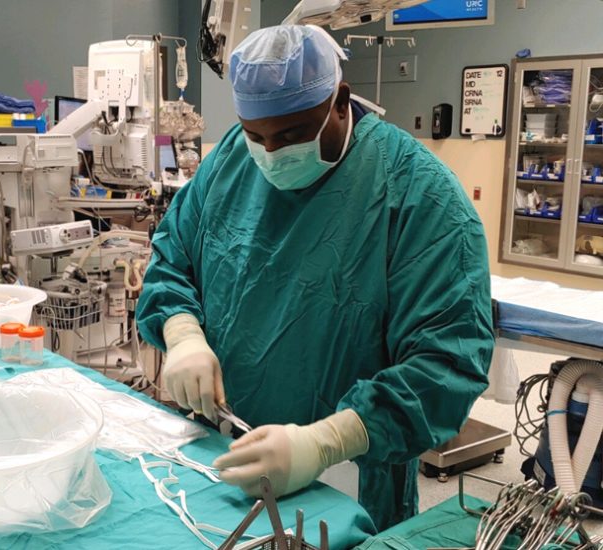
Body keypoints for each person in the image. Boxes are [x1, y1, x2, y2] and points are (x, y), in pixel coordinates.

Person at [135, 24, 494, 531]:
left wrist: (324, 442)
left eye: (292, 135)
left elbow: (448, 362)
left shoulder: (418, 194)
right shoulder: (232, 162)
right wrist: (182, 334)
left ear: (340, 100)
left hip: (348, 473)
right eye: (256, 134)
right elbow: (173, 258)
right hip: (222, 450)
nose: (272, 153)